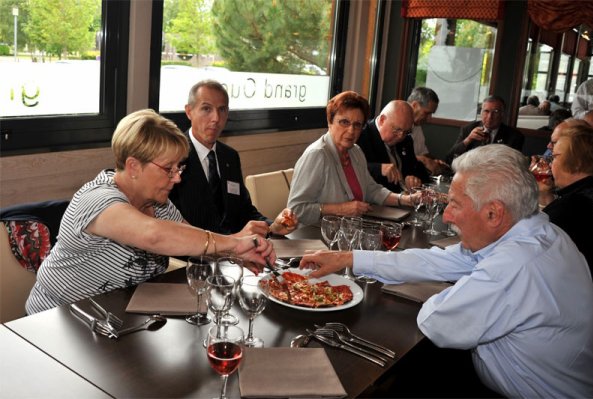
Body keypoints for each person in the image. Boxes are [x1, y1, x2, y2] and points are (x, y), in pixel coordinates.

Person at [300, 144, 593, 398]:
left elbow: (436, 321)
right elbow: (435, 260)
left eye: (455, 203)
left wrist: (467, 286)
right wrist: (347, 258)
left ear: (494, 213)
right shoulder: (537, 233)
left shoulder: (513, 267)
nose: (446, 214)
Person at [26, 109, 275, 314]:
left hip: (116, 319)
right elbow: (153, 235)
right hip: (58, 320)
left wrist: (237, 253)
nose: (177, 178)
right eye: (168, 169)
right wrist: (234, 242)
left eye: (180, 167)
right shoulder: (97, 199)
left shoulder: (159, 204)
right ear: (134, 166)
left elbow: (193, 240)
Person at [169, 80, 297, 237]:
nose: (216, 118)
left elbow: (243, 211)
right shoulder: (173, 158)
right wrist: (232, 242)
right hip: (194, 256)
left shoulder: (229, 156)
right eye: (206, 109)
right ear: (189, 112)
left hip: (235, 253)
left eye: (221, 110)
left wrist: (273, 226)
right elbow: (171, 225)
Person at [287, 91, 413, 226]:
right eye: (344, 122)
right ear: (330, 121)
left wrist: (405, 199)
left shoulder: (355, 152)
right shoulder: (317, 155)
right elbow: (296, 209)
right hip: (317, 236)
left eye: (357, 125)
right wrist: (340, 209)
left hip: (349, 231)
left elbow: (372, 189)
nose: (351, 131)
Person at [543, 124, 593, 298]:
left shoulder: (569, 209)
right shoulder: (590, 190)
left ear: (577, 162)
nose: (550, 163)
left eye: (554, 157)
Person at [356, 100, 429, 193]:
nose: (401, 136)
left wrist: (413, 179)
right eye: (397, 130)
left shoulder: (406, 140)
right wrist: (379, 168)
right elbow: (351, 168)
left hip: (403, 199)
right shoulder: (361, 136)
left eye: (406, 132)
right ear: (382, 120)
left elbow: (415, 168)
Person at [446, 95, 524, 163]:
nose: (490, 117)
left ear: (502, 114)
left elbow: (514, 165)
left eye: (495, 112)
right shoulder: (469, 129)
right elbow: (449, 158)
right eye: (486, 111)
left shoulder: (515, 136)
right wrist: (468, 140)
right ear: (481, 113)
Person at [406, 87, 450, 175]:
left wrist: (434, 161)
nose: (429, 119)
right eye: (427, 113)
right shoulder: (395, 125)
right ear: (414, 105)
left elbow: (424, 153)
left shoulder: (417, 127)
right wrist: (423, 160)